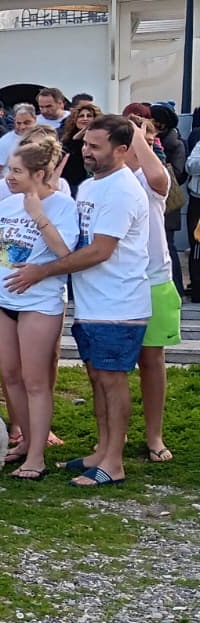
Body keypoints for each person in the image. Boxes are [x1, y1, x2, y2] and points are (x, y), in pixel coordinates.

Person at [4, 114, 149, 487]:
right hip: (91, 301)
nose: (87, 151)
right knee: (97, 378)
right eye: (85, 144)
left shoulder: (122, 190)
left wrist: (43, 271)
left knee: (112, 380)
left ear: (122, 149)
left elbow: (100, 250)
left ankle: (113, 462)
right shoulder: (90, 185)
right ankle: (102, 450)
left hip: (118, 302)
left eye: (95, 147)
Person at [0, 135, 76, 480]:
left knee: (35, 381)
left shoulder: (63, 205)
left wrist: (38, 215)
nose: (8, 177)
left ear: (40, 174)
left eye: (17, 171)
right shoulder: (5, 204)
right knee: (10, 375)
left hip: (37, 303)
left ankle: (37, 456)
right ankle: (27, 440)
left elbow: (64, 254)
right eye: (9, 169)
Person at [127, 116, 179, 464]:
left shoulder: (150, 179)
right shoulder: (105, 180)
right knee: (110, 367)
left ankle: (153, 435)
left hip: (154, 280)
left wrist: (137, 133)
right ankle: (113, 433)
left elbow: (159, 177)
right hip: (117, 283)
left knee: (151, 360)